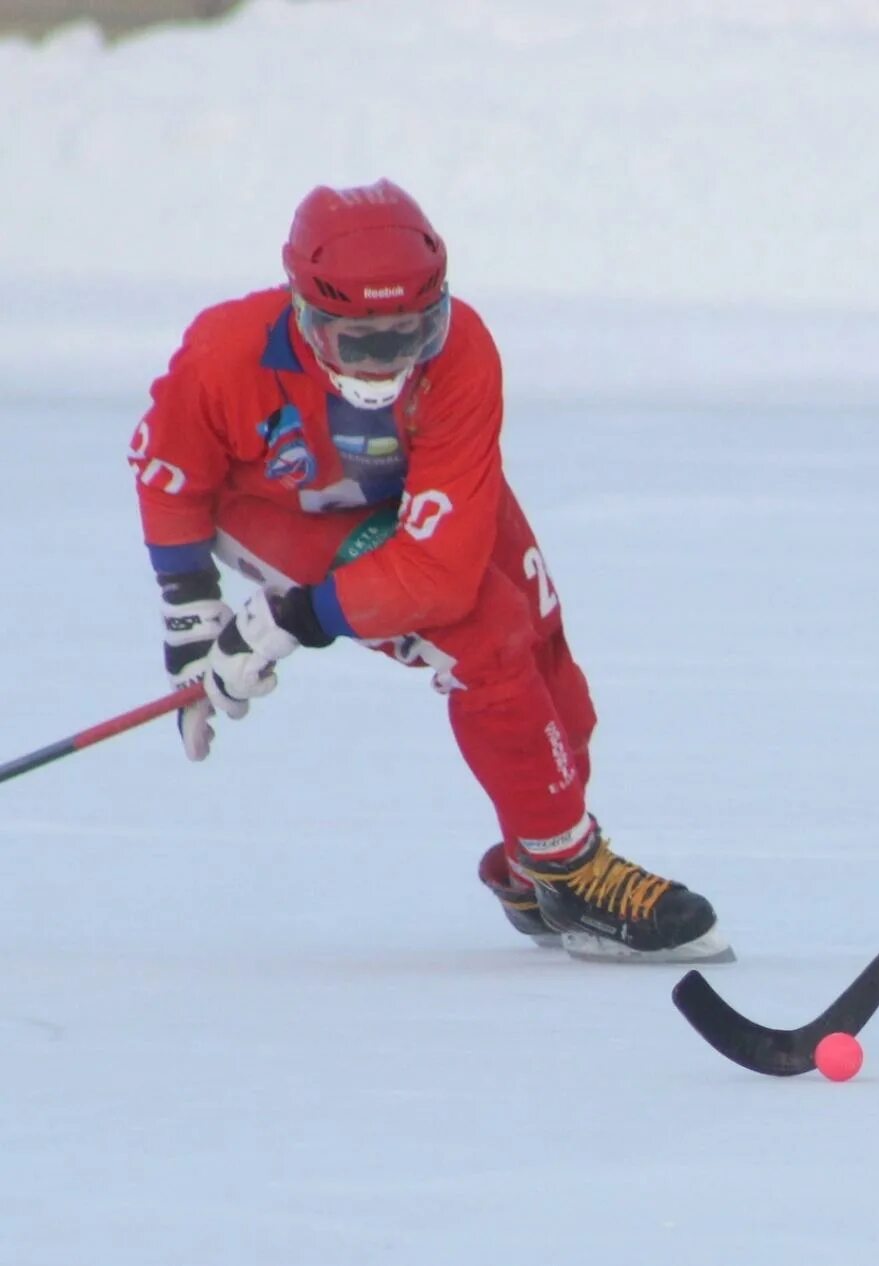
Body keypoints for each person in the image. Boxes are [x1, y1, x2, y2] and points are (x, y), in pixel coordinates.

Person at [129, 179, 730, 963]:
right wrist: (194, 622)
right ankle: (567, 868)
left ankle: (528, 864)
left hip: (414, 494)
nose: (389, 360)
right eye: (361, 342)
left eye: (412, 332)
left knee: (552, 681)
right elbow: (169, 475)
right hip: (279, 511)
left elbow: (438, 567)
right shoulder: (223, 351)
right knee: (486, 637)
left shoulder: (464, 350)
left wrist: (294, 618)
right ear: (304, 312)